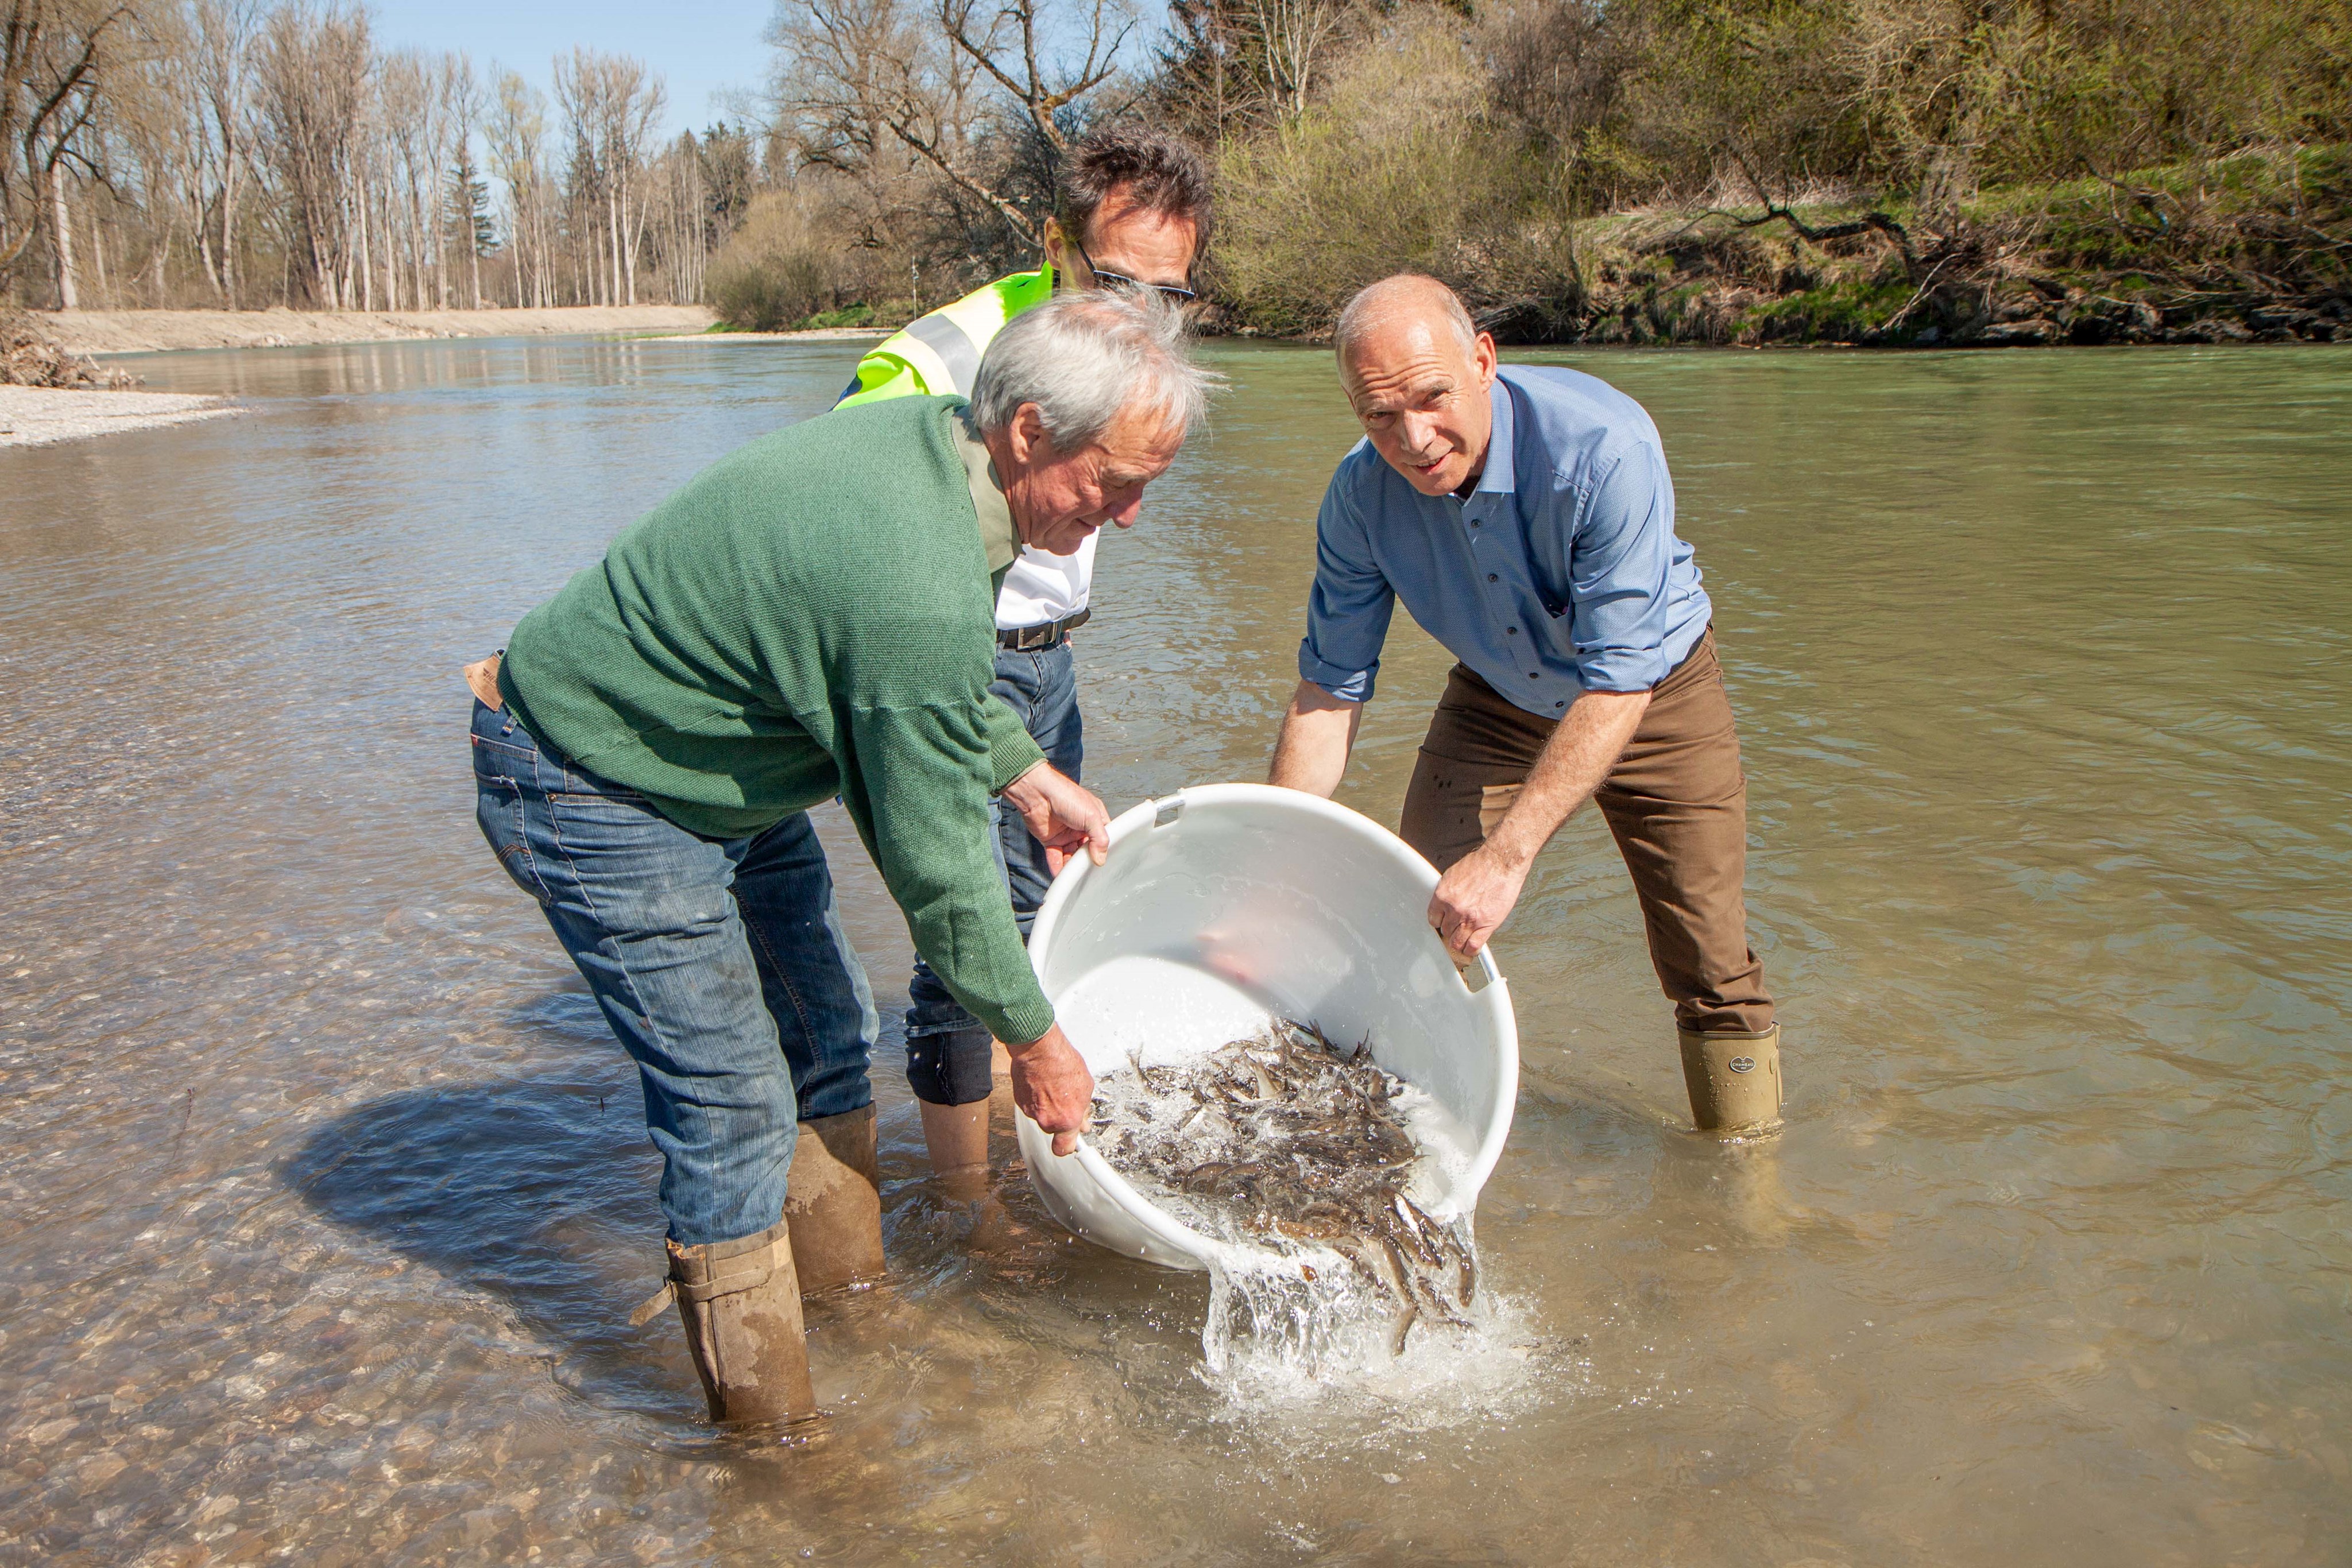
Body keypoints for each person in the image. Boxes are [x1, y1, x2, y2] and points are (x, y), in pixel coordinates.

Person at [466, 291, 1212, 1423]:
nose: (1132, 512)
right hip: (594, 773)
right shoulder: (912, 559)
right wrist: (1037, 1040)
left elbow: (926, 678)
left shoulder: (934, 446)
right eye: (1114, 480)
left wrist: (1023, 769)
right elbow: (943, 882)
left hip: (718, 751)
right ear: (1025, 433)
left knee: (823, 1027)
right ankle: (778, 1446)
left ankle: (852, 1297)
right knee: (726, 1100)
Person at [1266, 274, 1784, 1135]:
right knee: (1420, 913)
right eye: (1379, 418)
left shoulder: (1604, 448)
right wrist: (1268, 862)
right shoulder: (1360, 497)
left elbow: (1620, 679)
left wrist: (1507, 859)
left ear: (1483, 361)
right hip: (1499, 693)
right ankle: (1409, 1143)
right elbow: (1329, 689)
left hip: (1653, 692)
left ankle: (1745, 1188)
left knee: (1708, 958)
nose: (1415, 440)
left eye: (1432, 399)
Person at [834, 129, 1213, 1190]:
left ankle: (1018, 1163)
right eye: (1117, 279)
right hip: (958, 656)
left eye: (1170, 295)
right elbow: (856, 524)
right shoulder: (941, 357)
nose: (1143, 315)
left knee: (1041, 913)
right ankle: (966, 1204)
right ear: (1054, 241)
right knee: (965, 936)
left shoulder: (1136, 359)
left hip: (1052, 662)